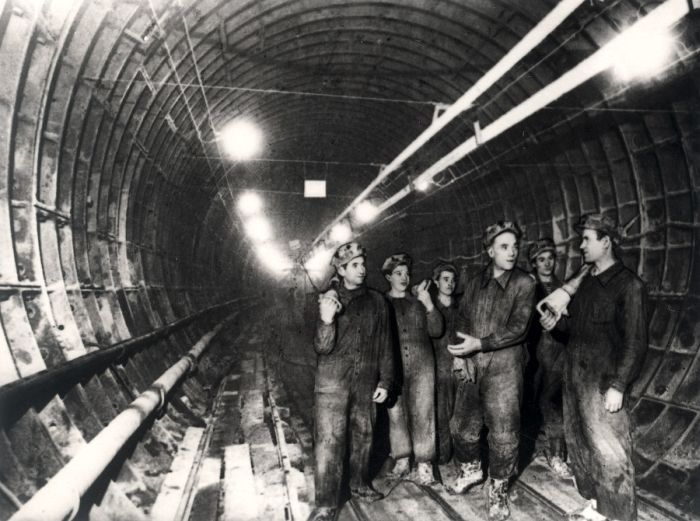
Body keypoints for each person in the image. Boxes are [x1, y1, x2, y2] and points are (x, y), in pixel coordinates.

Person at [539, 214, 648, 521]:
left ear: (606, 242)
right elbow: (572, 331)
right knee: (582, 446)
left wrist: (619, 385)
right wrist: (555, 325)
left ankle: (620, 515)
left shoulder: (630, 286)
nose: (581, 246)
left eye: (587, 239)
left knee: (610, 451)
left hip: (603, 384)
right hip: (576, 381)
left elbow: (636, 342)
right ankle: (599, 506)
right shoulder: (587, 284)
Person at [447, 221, 535, 521]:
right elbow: (461, 319)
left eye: (515, 247)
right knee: (461, 425)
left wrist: (480, 344)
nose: (512, 252)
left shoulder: (525, 283)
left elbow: (519, 328)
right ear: (489, 251)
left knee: (504, 433)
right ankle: (471, 470)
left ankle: (498, 489)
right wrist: (460, 356)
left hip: (505, 369)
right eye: (504, 247)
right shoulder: (475, 281)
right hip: (473, 363)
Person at [308, 242, 394, 521]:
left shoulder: (378, 302)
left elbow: (386, 345)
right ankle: (325, 504)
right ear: (341, 271)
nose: (362, 269)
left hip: (366, 381)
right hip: (332, 383)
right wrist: (326, 320)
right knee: (328, 442)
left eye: (363, 263)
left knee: (363, 436)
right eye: (354, 265)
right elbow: (322, 347)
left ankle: (359, 484)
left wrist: (386, 381)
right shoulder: (328, 300)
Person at [383, 253, 443, 485]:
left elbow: (437, 330)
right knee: (396, 414)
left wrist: (429, 304)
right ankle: (402, 459)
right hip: (393, 367)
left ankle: (425, 464)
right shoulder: (382, 304)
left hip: (422, 366)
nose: (404, 278)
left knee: (423, 412)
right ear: (388, 277)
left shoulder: (419, 301)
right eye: (398, 273)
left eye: (407, 273)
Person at [528, 238, 573, 478]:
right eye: (541, 260)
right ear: (534, 263)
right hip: (532, 353)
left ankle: (557, 455)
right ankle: (531, 446)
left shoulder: (564, 289)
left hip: (556, 351)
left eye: (550, 259)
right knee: (531, 400)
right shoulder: (526, 287)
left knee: (551, 401)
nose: (547, 264)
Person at [431, 262, 474, 464]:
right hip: (440, 366)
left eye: (453, 280)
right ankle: (443, 454)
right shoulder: (431, 308)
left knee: (462, 412)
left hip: (461, 364)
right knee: (442, 413)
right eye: (445, 279)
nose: (450, 284)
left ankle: (462, 455)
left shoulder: (461, 307)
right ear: (436, 282)